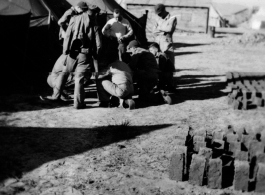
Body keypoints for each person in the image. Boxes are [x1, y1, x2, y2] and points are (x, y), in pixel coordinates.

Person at [42, 2, 100, 109]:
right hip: (85, 54)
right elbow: (99, 44)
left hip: (71, 52)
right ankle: (78, 103)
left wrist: (66, 51)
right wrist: (95, 55)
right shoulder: (94, 23)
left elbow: (65, 31)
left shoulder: (74, 18)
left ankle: (56, 96)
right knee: (79, 78)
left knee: (64, 73)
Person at [153, 4, 177, 68]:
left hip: (167, 42)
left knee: (169, 59)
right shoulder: (157, 18)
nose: (158, 15)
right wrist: (163, 30)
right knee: (159, 60)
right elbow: (154, 31)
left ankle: (170, 76)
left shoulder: (172, 18)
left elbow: (169, 29)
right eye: (157, 14)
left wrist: (159, 28)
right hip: (158, 42)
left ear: (164, 10)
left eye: (160, 13)